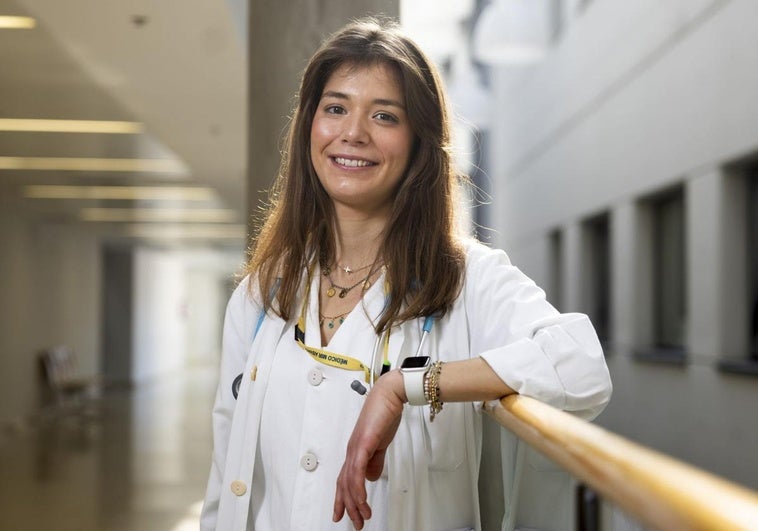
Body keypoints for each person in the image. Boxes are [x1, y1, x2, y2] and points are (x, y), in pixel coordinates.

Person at [201, 16, 612, 531]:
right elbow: (226, 477)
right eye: (335, 108)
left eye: (384, 116)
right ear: (310, 125)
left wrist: (409, 385)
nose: (352, 133)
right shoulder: (263, 294)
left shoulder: (467, 280)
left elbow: (581, 366)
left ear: (420, 143)